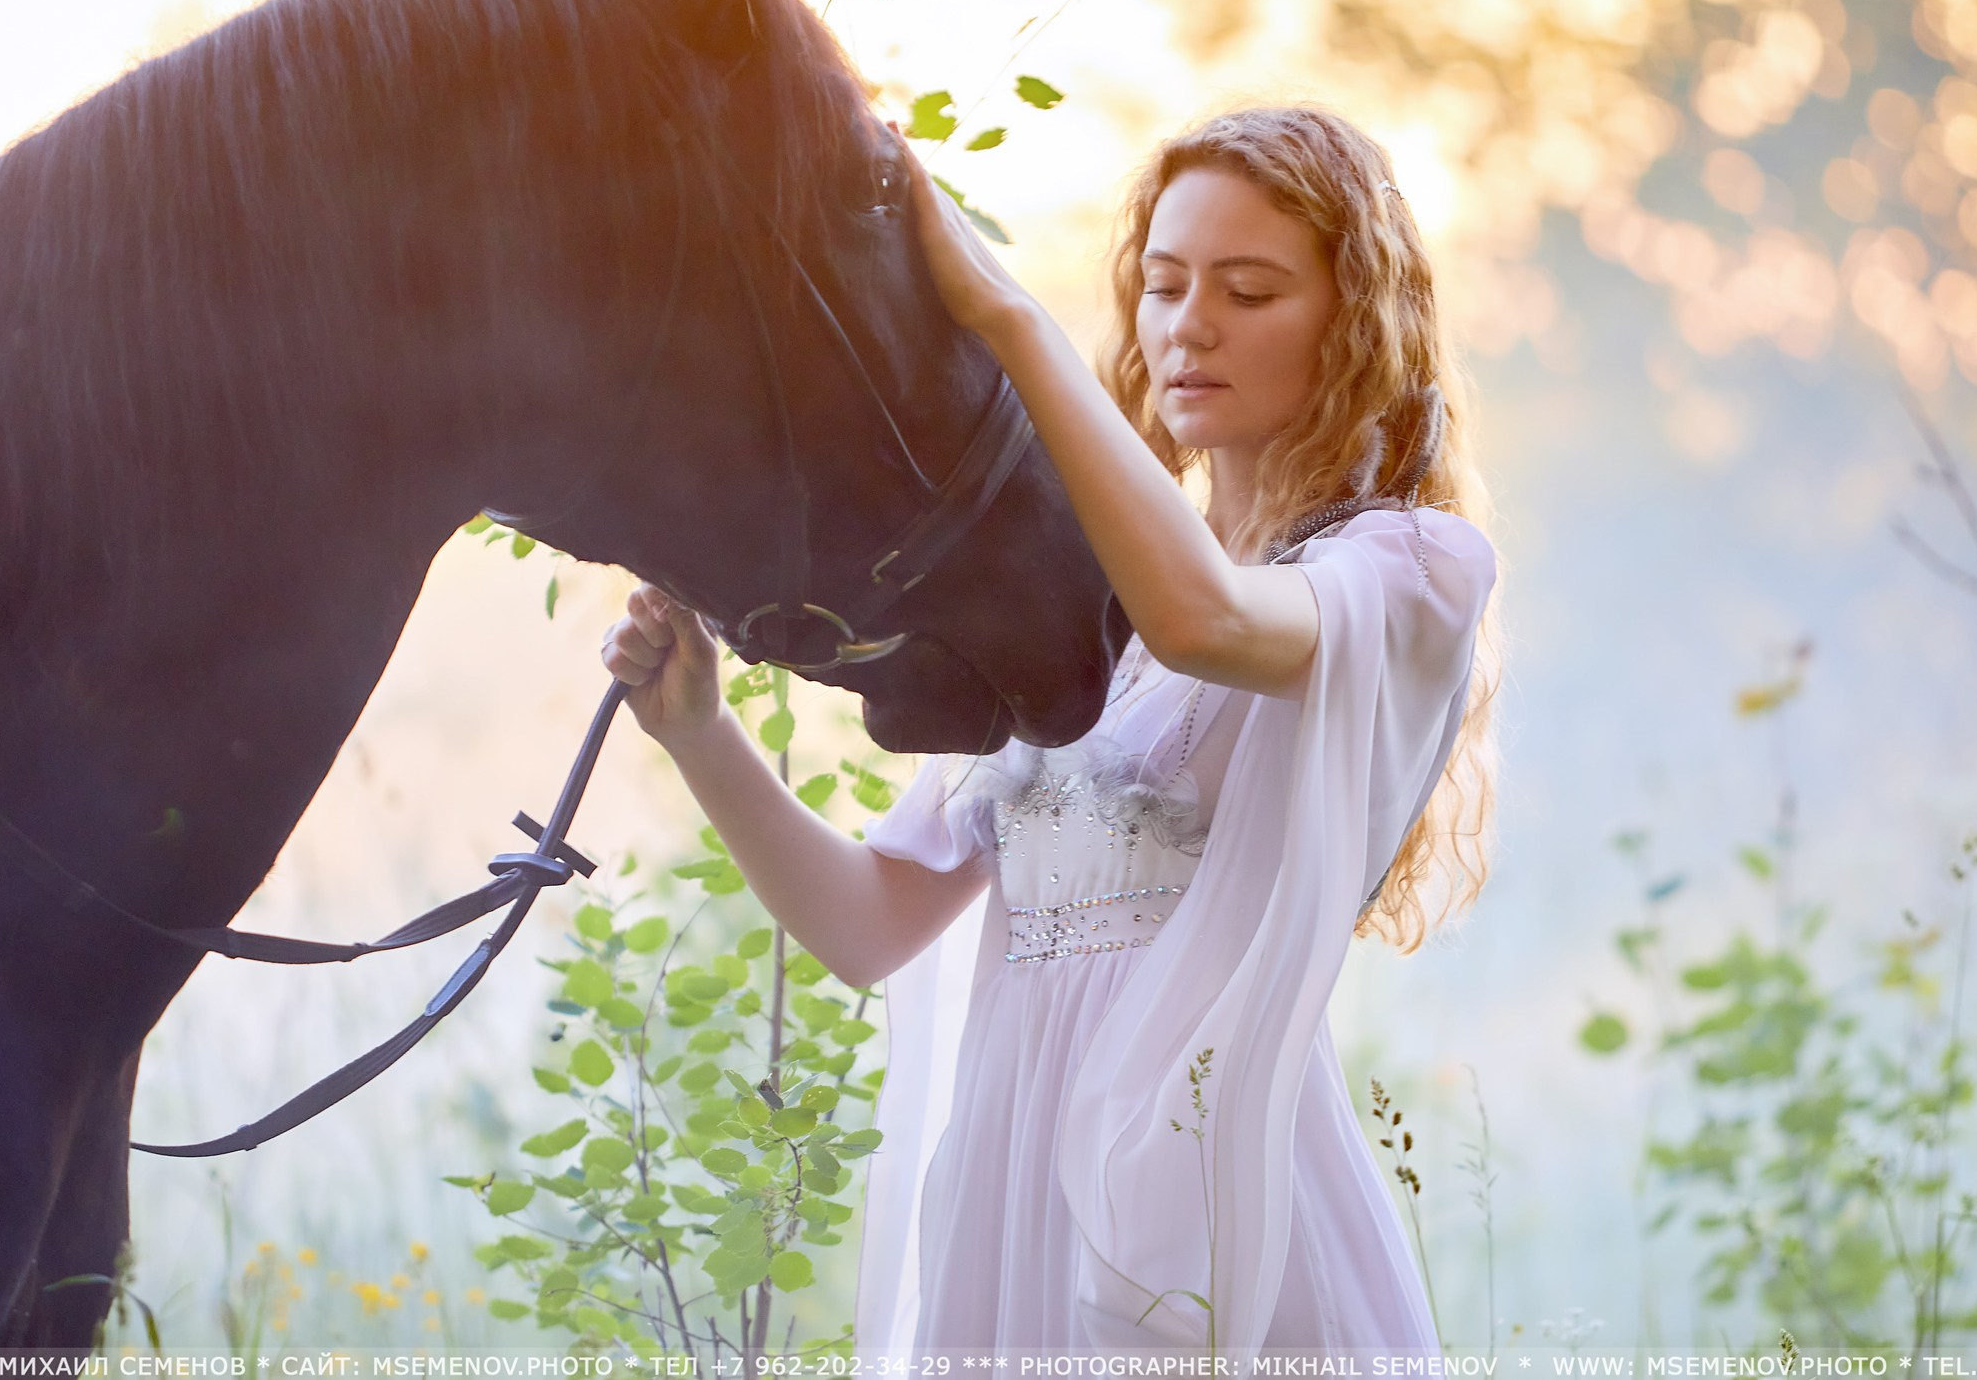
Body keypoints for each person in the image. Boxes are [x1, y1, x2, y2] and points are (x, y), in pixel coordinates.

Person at [599, 104, 1502, 1356]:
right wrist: (699, 732)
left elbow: (1208, 619)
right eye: (1165, 283)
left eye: (1247, 290)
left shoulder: (1410, 568)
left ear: (1352, 319)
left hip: (1202, 1179)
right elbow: (872, 925)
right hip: (1009, 1186)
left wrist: (1007, 322)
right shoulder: (1077, 605)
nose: (1188, 323)